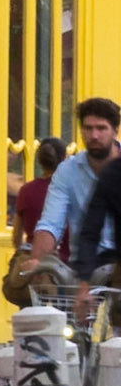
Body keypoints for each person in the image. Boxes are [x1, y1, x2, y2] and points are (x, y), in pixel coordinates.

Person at [34, 99, 120, 264]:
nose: (94, 135)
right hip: (84, 267)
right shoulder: (67, 171)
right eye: (88, 128)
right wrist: (38, 261)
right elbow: (50, 224)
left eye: (101, 128)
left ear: (115, 131)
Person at [13, 136, 67, 253]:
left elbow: (16, 238)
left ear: (39, 160)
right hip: (63, 262)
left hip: (32, 258)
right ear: (64, 159)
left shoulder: (26, 190)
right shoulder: (68, 190)